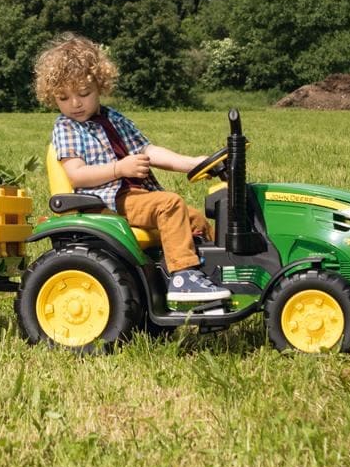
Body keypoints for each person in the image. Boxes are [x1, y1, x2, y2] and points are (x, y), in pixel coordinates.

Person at [33, 32, 231, 306]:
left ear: (99, 85)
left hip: (135, 196)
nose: (75, 104)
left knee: (195, 218)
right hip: (106, 200)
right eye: (63, 97)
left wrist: (193, 162)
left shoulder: (114, 118)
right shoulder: (66, 127)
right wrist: (119, 168)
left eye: (83, 93)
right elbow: (76, 174)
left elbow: (149, 152)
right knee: (169, 205)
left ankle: (211, 273)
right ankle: (183, 276)